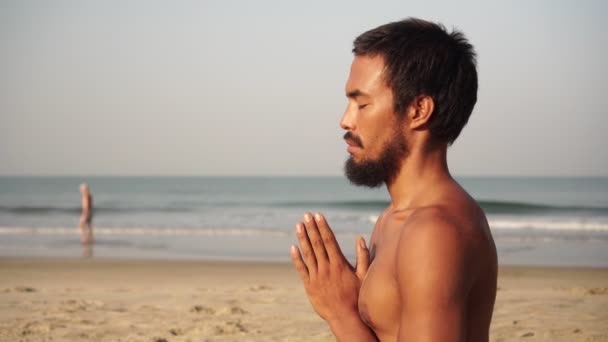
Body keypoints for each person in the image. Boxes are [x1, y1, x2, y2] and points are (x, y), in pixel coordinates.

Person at [290, 18, 497, 341]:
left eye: (362, 103)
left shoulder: (434, 232)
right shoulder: (393, 219)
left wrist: (341, 314)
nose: (345, 120)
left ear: (418, 110)